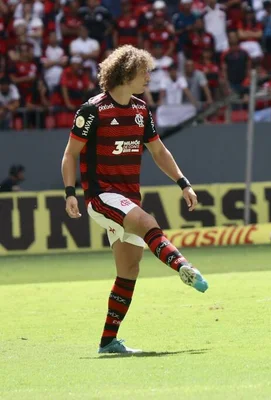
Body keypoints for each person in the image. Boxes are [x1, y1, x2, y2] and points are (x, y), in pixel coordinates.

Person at [60, 45, 209, 355]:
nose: (149, 78)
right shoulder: (92, 110)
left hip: (127, 198)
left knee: (129, 269)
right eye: (145, 72)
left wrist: (183, 182)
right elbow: (70, 154)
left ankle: (108, 342)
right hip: (102, 197)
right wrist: (70, 192)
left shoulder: (141, 110)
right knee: (147, 222)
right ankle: (183, 266)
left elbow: (159, 152)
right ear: (127, 73)